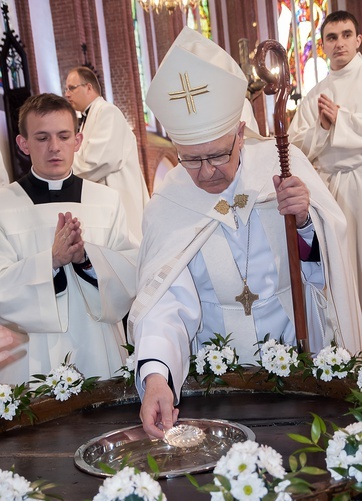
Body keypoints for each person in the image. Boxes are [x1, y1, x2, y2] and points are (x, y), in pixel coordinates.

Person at [128, 26, 362, 438]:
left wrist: (306, 221)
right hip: (216, 382)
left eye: (217, 155)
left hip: (295, 363)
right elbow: (166, 301)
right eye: (191, 159)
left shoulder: (282, 164)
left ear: (239, 133)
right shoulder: (170, 202)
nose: (206, 172)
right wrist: (157, 376)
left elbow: (328, 266)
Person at [0, 93, 138, 385]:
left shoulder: (107, 200)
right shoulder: (4, 206)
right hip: (31, 354)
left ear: (78, 141)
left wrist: (87, 260)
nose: (54, 147)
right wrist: (51, 261)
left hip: (99, 345)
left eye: (63, 136)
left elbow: (131, 272)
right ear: (23, 144)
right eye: (42, 137)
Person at [288, 10, 362, 300]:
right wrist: (321, 127)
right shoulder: (315, 95)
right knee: (342, 270)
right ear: (323, 45)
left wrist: (341, 121)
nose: (339, 43)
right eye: (331, 37)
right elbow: (295, 148)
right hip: (330, 190)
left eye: (346, 35)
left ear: (358, 40)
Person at [64, 66, 149, 242]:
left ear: (88, 87)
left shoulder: (108, 112)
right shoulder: (89, 118)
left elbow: (96, 162)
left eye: (71, 88)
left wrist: (62, 166)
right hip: (103, 202)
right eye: (66, 89)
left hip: (118, 199)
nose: (66, 94)